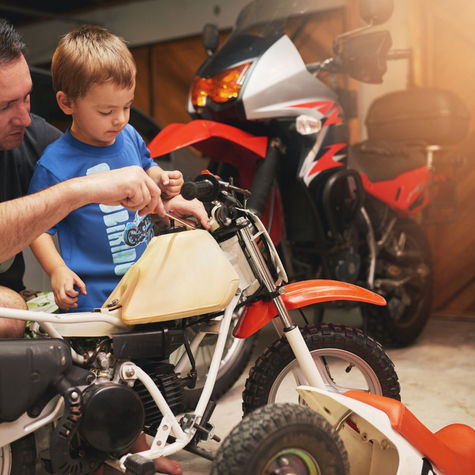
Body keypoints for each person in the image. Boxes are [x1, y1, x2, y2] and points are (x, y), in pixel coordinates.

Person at [28, 24, 201, 475]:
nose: (120, 119)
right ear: (67, 103)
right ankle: (120, 450)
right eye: (107, 110)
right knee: (101, 383)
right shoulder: (55, 164)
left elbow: (148, 166)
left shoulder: (126, 138)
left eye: (126, 107)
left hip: (142, 288)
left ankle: (141, 443)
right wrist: (56, 271)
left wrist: (167, 181)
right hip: (94, 299)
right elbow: (38, 230)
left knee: (148, 367)